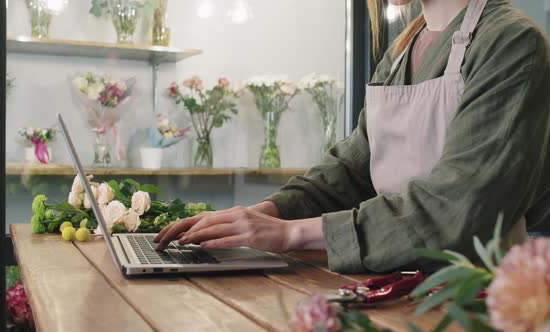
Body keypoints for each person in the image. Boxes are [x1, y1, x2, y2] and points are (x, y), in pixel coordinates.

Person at [155, 0, 550, 273]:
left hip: (476, 294)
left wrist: (290, 233)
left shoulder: (512, 43)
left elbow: (461, 206)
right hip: (399, 279)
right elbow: (350, 171)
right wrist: (261, 214)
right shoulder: (399, 52)